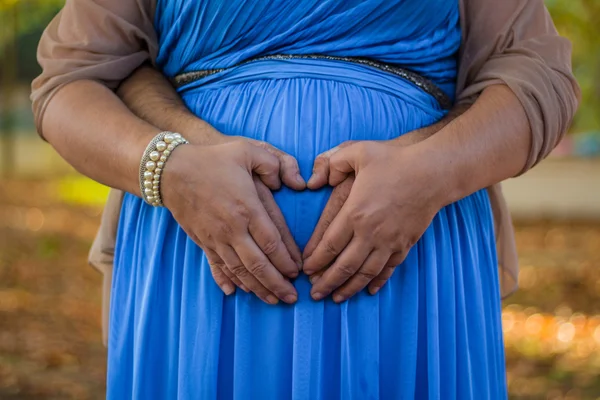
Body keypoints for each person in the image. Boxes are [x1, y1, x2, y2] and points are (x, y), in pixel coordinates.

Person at [31, 0, 579, 398]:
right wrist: (170, 168)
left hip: (411, 259)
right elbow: (69, 83)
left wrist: (429, 173)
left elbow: (538, 74)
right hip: (197, 261)